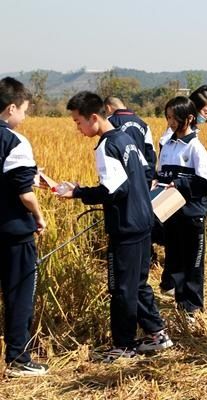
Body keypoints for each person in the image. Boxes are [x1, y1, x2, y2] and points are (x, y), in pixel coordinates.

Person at [59, 91, 172, 362]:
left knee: (120, 287)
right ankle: (157, 333)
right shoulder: (126, 139)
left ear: (94, 118)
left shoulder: (106, 146)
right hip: (144, 220)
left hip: (126, 226)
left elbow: (113, 190)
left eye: (78, 122)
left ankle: (124, 345)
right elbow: (145, 173)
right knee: (138, 282)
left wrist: (77, 193)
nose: (78, 128)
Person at [0, 77, 49, 377]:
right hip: (14, 232)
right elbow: (24, 192)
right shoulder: (15, 141)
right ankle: (18, 358)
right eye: (25, 110)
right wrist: (39, 216)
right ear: (11, 108)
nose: (25, 117)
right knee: (19, 294)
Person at [155, 96, 207, 320]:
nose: (170, 122)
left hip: (192, 214)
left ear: (189, 118)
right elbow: (160, 174)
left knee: (193, 262)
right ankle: (181, 304)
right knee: (176, 259)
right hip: (170, 212)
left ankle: (193, 308)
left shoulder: (194, 148)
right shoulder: (168, 145)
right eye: (168, 117)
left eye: (175, 117)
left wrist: (179, 184)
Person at [104, 96, 156, 187]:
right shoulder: (143, 124)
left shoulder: (109, 122)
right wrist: (148, 179)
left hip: (120, 182)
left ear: (108, 108)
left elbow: (106, 153)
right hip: (141, 178)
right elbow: (151, 153)